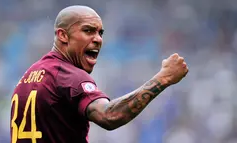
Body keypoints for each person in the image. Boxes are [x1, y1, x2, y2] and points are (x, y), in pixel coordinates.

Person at [10, 5, 188, 143]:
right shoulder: (68, 76)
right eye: (88, 31)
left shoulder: (28, 76)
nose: (98, 39)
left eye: (100, 32)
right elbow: (109, 116)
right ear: (63, 35)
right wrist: (163, 78)